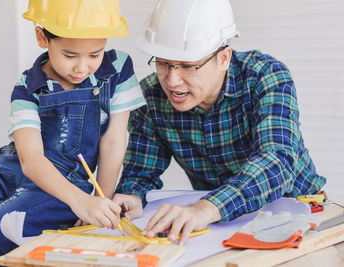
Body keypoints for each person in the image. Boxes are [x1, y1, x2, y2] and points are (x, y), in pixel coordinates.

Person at [0, 0, 145, 266]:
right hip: (9, 170)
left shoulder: (117, 69)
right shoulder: (28, 86)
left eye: (95, 54)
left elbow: (113, 141)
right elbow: (31, 159)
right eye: (70, 55)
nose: (82, 68)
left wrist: (97, 200)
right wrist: (80, 201)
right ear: (42, 37)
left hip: (63, 185)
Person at [113, 0, 326, 245]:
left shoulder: (266, 77)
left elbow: (276, 161)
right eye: (163, 63)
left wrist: (206, 208)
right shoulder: (151, 95)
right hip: (221, 226)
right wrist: (131, 196)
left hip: (297, 212)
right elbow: (141, 172)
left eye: (187, 66)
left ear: (223, 58)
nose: (172, 81)